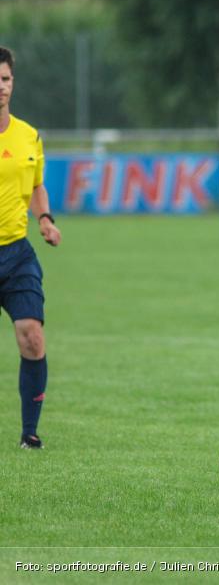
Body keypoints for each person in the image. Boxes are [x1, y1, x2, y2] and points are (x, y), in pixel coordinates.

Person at [0, 47, 61, 449]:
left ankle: (29, 433)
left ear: (12, 84)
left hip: (16, 253)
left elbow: (37, 184)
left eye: (4, 79)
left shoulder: (29, 136)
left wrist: (45, 219)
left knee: (32, 337)